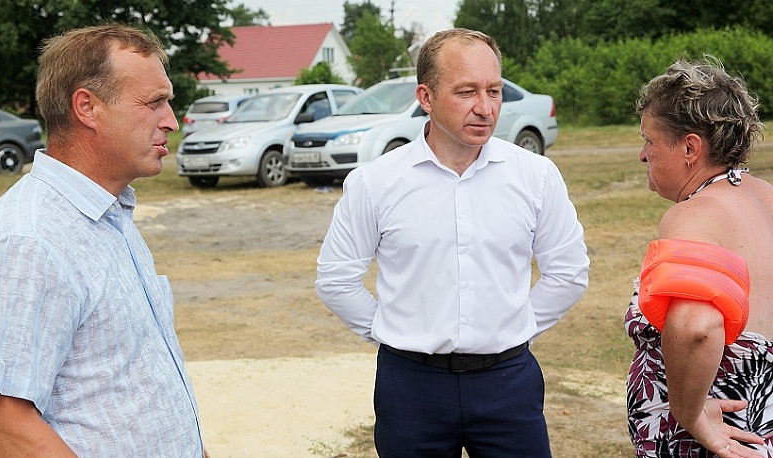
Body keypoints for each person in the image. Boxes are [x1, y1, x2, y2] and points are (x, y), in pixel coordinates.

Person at [316, 28, 590, 457]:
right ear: (425, 97)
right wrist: (394, 332)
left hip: (508, 383)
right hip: (410, 388)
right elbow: (336, 279)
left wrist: (513, 326)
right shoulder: (376, 183)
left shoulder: (535, 176)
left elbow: (569, 272)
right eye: (466, 92)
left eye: (494, 91)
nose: (485, 108)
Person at [0, 24, 207, 457]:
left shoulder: (110, 213)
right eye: (154, 103)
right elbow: (2, 427)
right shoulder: (29, 240)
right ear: (87, 107)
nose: (171, 122)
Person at [626, 57, 773, 457]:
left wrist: (689, 414)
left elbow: (696, 327)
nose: (643, 155)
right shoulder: (766, 199)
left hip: (716, 438)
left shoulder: (694, 215)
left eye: (650, 140)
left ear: (690, 146)